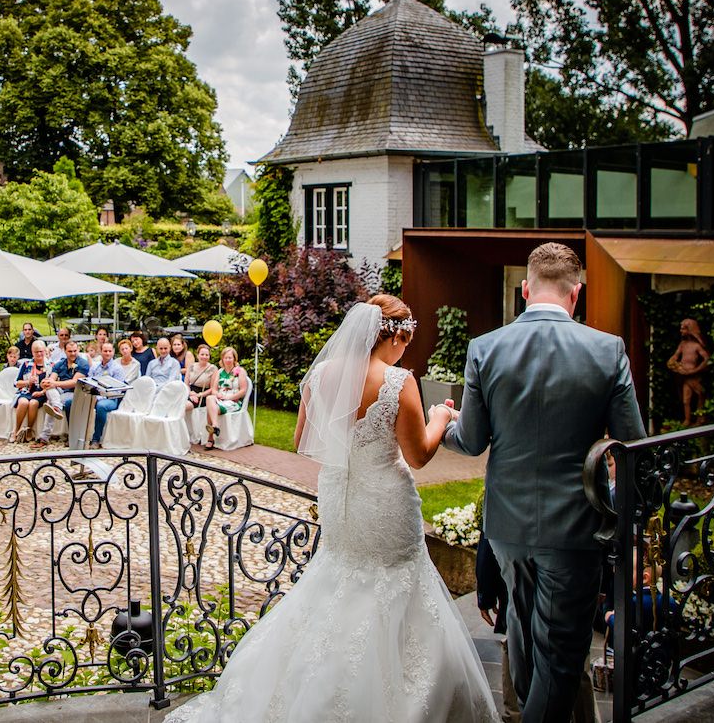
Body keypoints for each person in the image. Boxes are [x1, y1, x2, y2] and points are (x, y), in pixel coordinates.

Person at [165, 296, 497, 722]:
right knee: (393, 582)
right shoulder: (398, 382)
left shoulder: (321, 375)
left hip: (339, 497)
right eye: (405, 342)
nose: (404, 351)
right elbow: (417, 455)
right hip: (384, 500)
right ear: (394, 334)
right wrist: (439, 418)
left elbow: (303, 436)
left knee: (338, 576)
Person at [443, 242, 645, 723]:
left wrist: (441, 421)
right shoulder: (607, 350)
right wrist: (621, 508)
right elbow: (632, 448)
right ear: (576, 294)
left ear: (525, 289)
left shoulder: (484, 348)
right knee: (558, 658)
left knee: (531, 644)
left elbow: (471, 441)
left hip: (507, 529)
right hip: (575, 528)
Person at [31, 340, 89, 449]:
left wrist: (54, 383)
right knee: (50, 392)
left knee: (51, 403)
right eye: (70, 351)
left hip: (75, 393)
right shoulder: (60, 364)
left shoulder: (83, 364)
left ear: (78, 350)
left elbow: (75, 383)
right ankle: (56, 407)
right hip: (59, 393)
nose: (72, 353)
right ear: (65, 351)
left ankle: (44, 437)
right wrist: (46, 383)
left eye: (75, 351)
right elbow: (51, 379)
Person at [202, 347, 248, 449]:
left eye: (230, 358)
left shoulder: (240, 371)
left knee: (211, 408)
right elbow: (213, 389)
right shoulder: (219, 372)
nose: (228, 360)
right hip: (220, 400)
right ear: (222, 359)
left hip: (233, 401)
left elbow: (243, 390)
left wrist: (230, 397)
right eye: (225, 358)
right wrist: (217, 394)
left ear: (234, 359)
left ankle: (211, 438)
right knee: (210, 398)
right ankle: (215, 426)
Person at [667, 318, 709, 425]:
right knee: (686, 400)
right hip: (685, 376)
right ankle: (687, 420)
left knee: (700, 394)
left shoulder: (696, 346)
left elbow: (706, 359)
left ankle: (700, 418)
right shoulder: (683, 344)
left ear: (689, 330)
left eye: (683, 329)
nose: (681, 331)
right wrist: (674, 365)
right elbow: (675, 357)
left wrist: (695, 370)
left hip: (693, 376)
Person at [87, 341, 126, 449]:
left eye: (110, 351)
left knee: (101, 406)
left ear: (113, 352)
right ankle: (75, 436)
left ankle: (96, 439)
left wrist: (99, 398)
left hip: (111, 399)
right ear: (101, 352)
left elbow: (117, 391)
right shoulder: (95, 367)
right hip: (93, 396)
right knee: (70, 403)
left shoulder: (117, 369)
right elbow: (89, 382)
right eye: (105, 351)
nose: (107, 353)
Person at [12, 341, 51, 443]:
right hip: (26, 391)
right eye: (36, 352)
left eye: (41, 351)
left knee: (33, 403)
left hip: (42, 393)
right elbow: (16, 383)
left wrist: (42, 392)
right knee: (23, 402)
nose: (39, 354)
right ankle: (16, 430)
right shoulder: (26, 364)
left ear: (45, 351)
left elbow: (53, 383)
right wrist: (27, 382)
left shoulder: (50, 365)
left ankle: (29, 430)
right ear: (32, 352)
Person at [185, 343, 217, 413]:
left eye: (206, 355)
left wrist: (199, 395)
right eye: (202, 354)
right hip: (190, 392)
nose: (204, 357)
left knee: (184, 406)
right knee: (177, 402)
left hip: (203, 395)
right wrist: (190, 393)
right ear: (197, 355)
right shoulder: (191, 366)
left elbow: (212, 388)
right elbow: (186, 384)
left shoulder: (213, 369)